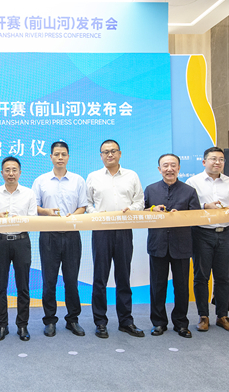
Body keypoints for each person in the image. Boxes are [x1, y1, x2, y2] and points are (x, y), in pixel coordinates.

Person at [86, 139, 145, 338]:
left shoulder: (131, 175)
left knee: (123, 277)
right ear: (101, 156)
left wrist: (131, 209)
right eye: (105, 152)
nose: (109, 154)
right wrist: (97, 214)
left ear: (120, 154)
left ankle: (126, 322)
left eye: (113, 151)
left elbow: (140, 201)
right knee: (99, 279)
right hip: (101, 231)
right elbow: (87, 204)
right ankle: (100, 322)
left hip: (124, 230)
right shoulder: (93, 177)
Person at [32, 141, 87, 337]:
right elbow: (33, 207)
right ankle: (49, 320)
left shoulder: (78, 180)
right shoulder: (41, 181)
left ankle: (73, 319)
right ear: (51, 157)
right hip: (48, 235)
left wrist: (74, 215)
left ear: (68, 157)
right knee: (49, 280)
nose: (60, 157)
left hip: (72, 235)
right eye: (56, 154)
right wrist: (46, 211)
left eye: (63, 154)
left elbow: (83, 206)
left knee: (71, 280)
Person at [144, 154, 200, 338]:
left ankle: (181, 323)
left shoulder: (189, 191)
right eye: (165, 165)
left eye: (173, 165)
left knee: (182, 287)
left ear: (179, 168)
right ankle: (158, 323)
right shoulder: (150, 189)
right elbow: (141, 213)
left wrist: (180, 215)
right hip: (158, 244)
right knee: (157, 286)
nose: (169, 169)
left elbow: (197, 217)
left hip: (181, 245)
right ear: (159, 169)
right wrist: (152, 209)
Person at [186, 147, 229, 333]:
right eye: (213, 159)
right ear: (204, 162)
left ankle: (222, 316)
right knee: (201, 276)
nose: (217, 162)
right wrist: (205, 206)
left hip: (226, 233)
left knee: (224, 277)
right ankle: (203, 316)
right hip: (201, 233)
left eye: (221, 159)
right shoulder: (193, 182)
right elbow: (188, 208)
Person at [0, 157, 37, 341]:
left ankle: (22, 325)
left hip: (21, 241)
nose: (11, 173)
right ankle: (2, 326)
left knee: (23, 286)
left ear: (20, 172)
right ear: (1, 173)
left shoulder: (29, 193)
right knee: (0, 287)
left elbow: (33, 219)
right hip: (0, 242)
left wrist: (20, 220)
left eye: (14, 170)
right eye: (7, 170)